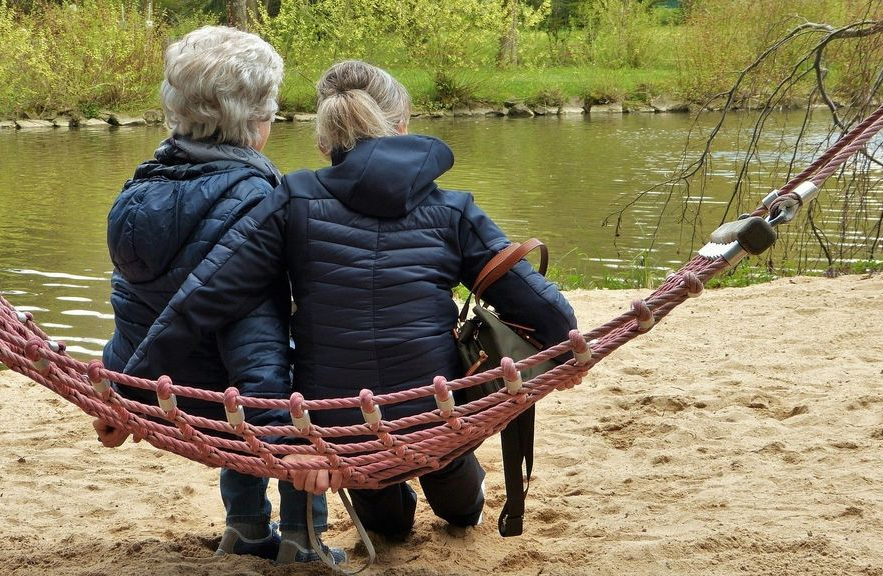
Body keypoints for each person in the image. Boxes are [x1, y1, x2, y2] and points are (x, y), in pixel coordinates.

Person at [123, 60, 577, 540]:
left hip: (340, 430)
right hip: (436, 411)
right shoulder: (453, 209)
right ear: (402, 127)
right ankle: (454, 488)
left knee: (388, 527)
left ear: (324, 141)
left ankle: (397, 498)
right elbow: (544, 308)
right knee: (456, 495)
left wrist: (129, 390)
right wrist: (568, 351)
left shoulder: (292, 199)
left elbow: (206, 298)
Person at [92, 26, 342, 565]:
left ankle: (246, 526)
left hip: (162, 388)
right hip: (230, 397)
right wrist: (287, 444)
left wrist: (120, 389)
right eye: (270, 111)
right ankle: (304, 539)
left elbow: (133, 306)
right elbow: (258, 343)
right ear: (253, 122)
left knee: (236, 381)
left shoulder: (137, 189)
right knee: (308, 371)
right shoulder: (258, 200)